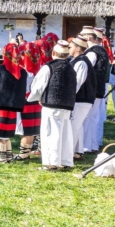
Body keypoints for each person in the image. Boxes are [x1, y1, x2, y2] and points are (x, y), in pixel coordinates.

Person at [28, 41, 77, 170]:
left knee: (50, 134)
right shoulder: (71, 68)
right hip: (67, 105)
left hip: (51, 104)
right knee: (65, 133)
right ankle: (65, 161)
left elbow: (38, 86)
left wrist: (37, 98)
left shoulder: (48, 67)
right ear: (66, 55)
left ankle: (51, 163)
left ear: (54, 53)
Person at [0, 44, 27, 163]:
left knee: (0, 134)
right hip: (14, 106)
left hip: (0, 105)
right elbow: (26, 89)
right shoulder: (24, 72)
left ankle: (3, 158)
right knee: (7, 133)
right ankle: (8, 157)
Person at [81, 26, 110, 155]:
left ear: (88, 37)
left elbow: (87, 70)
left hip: (92, 89)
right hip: (99, 89)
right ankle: (94, 144)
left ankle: (88, 145)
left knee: (89, 118)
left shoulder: (92, 52)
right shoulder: (101, 50)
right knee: (94, 117)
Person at [69, 36, 96, 162]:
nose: (69, 48)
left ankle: (68, 155)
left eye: (71, 46)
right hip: (81, 99)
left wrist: (68, 96)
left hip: (81, 99)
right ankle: (77, 151)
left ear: (78, 48)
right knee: (77, 126)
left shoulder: (80, 62)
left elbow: (77, 83)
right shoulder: (77, 60)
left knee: (73, 126)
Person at [13, 42, 42, 161]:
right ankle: (27, 152)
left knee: (26, 129)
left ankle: (24, 153)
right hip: (37, 101)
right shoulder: (40, 68)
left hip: (25, 101)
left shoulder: (21, 70)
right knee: (32, 128)